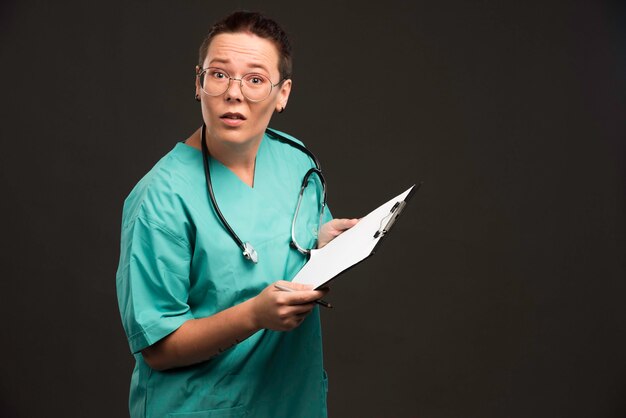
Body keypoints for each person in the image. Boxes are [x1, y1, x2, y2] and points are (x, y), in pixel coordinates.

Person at [116, 10, 358, 418]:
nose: (234, 93)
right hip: (200, 406)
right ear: (199, 83)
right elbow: (158, 348)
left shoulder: (297, 161)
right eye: (220, 74)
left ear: (282, 94)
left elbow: (294, 240)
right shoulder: (159, 199)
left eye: (256, 79)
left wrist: (324, 242)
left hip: (290, 400)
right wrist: (253, 316)